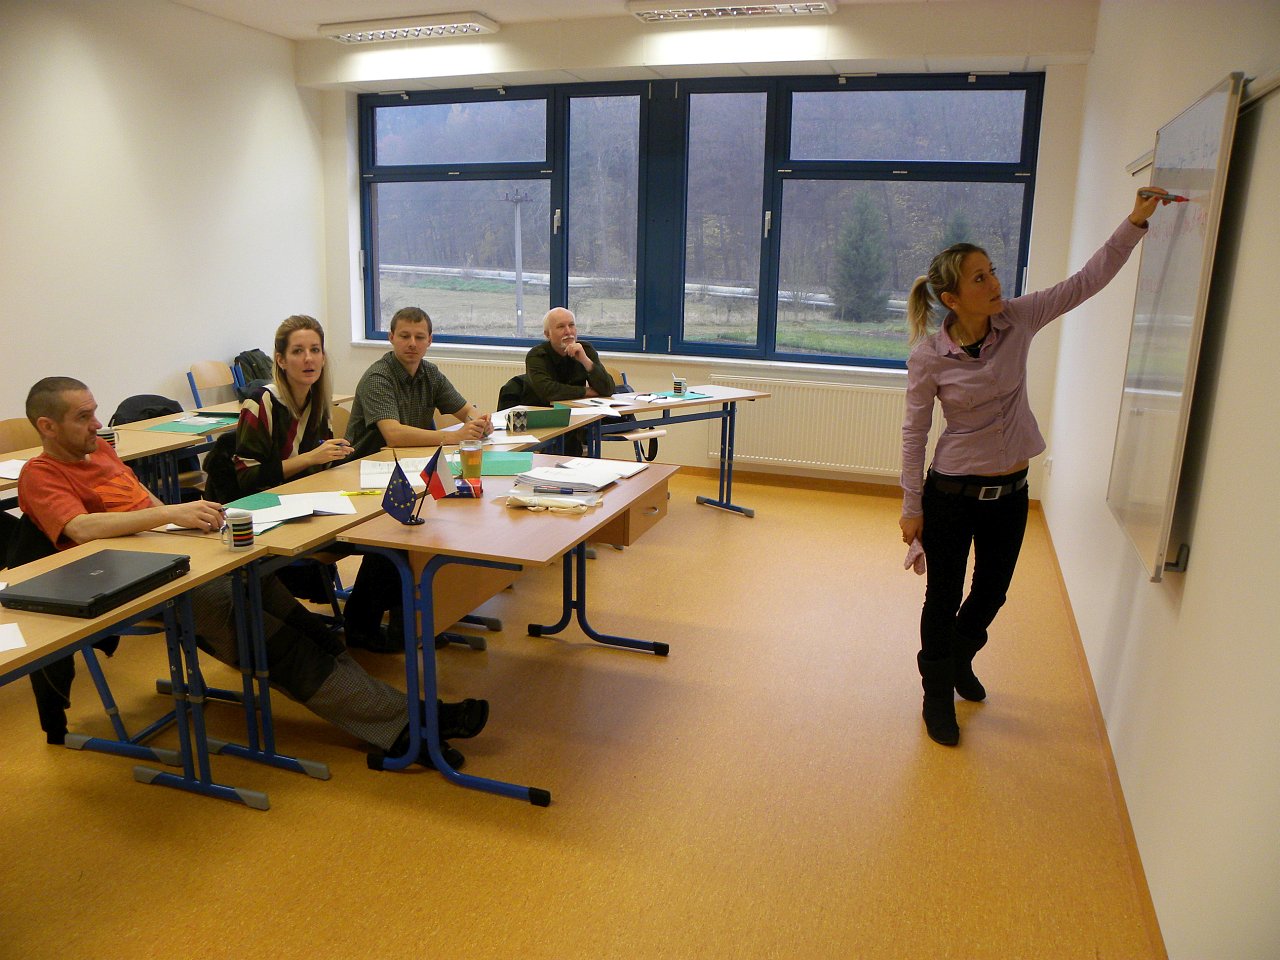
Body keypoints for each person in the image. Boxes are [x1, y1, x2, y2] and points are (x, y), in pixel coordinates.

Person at [19, 375, 486, 768]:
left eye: (95, 412)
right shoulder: (40, 475)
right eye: (83, 417)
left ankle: (407, 717)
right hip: (144, 584)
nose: (97, 425)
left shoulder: (99, 451)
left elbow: (146, 504)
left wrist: (185, 523)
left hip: (183, 556)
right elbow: (81, 528)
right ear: (47, 426)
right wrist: (171, 515)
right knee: (282, 649)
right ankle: (405, 728)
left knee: (308, 628)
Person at [899, 188, 1173, 747]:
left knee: (992, 593)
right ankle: (936, 692)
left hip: (1011, 493)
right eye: (979, 278)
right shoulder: (929, 357)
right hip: (950, 494)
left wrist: (1135, 222)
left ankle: (958, 658)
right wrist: (911, 506)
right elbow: (914, 434)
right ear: (952, 298)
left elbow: (1085, 282)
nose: (994, 283)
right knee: (943, 596)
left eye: (993, 271)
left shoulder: (1019, 319)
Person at [344, 306, 492, 459]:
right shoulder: (378, 378)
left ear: (429, 340)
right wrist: (455, 436)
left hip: (407, 459)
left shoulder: (430, 374)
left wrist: (479, 425)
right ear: (391, 337)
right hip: (363, 463)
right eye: (405, 336)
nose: (412, 343)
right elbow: (394, 435)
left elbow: (467, 411)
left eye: (420, 337)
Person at [524, 307, 616, 456]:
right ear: (547, 334)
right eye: (561, 327)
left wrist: (585, 361)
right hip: (543, 418)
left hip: (576, 417)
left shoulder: (585, 350)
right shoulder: (537, 356)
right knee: (569, 435)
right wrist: (586, 391)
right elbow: (548, 392)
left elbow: (608, 389)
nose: (568, 331)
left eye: (571, 325)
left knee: (579, 430)